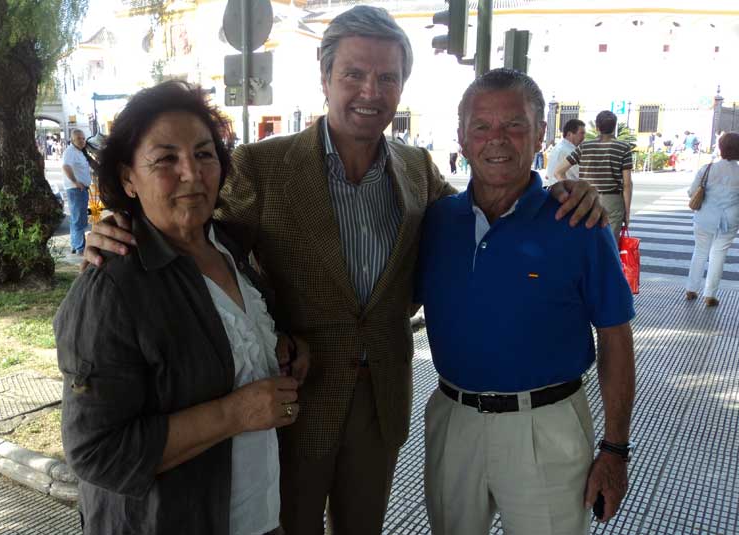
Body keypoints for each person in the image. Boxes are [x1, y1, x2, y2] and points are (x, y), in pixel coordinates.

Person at [82, 7, 605, 534]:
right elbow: (192, 230)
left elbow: (489, 210)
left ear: (402, 86)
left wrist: (562, 190)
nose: (370, 91)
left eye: (387, 77)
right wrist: (121, 226)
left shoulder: (417, 170)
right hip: (293, 399)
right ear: (325, 77)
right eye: (354, 74)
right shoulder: (264, 167)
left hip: (381, 402)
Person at [54, 81, 310, 535]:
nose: (191, 173)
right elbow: (96, 451)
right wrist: (235, 413)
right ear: (129, 178)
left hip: (259, 516)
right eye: (165, 159)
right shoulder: (112, 284)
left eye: (204, 153)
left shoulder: (228, 246)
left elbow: (227, 342)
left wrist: (282, 349)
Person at [417, 68, 636, 535]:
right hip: (452, 421)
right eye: (481, 126)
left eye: (515, 124)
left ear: (540, 134)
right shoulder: (436, 221)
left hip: (547, 427)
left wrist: (615, 449)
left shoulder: (578, 221)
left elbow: (616, 335)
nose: (497, 139)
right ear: (461, 136)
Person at [555, 110, 634, 242]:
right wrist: (627, 211)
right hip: (612, 202)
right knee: (610, 245)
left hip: (587, 199)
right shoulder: (623, 148)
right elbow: (627, 184)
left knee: (586, 241)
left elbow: (558, 172)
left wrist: (575, 192)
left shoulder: (584, 147)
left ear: (597, 128)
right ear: (614, 127)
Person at [685, 132, 739, 307]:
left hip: (704, 218)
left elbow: (692, 192)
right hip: (729, 220)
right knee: (718, 255)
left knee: (700, 251)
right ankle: (710, 295)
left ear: (721, 148)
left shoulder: (707, 169)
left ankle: (691, 289)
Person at [62, 129, 93, 254]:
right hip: (75, 189)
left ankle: (76, 245)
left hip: (82, 189)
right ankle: (80, 247)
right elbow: (66, 166)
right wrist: (75, 182)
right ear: (73, 140)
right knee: (78, 218)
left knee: (79, 218)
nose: (82, 140)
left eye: (83, 138)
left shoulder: (80, 152)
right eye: (79, 138)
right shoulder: (70, 152)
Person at [546, 118, 586, 185]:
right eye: (581, 133)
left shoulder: (558, 147)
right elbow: (582, 175)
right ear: (569, 134)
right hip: (565, 191)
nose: (584, 137)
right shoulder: (569, 151)